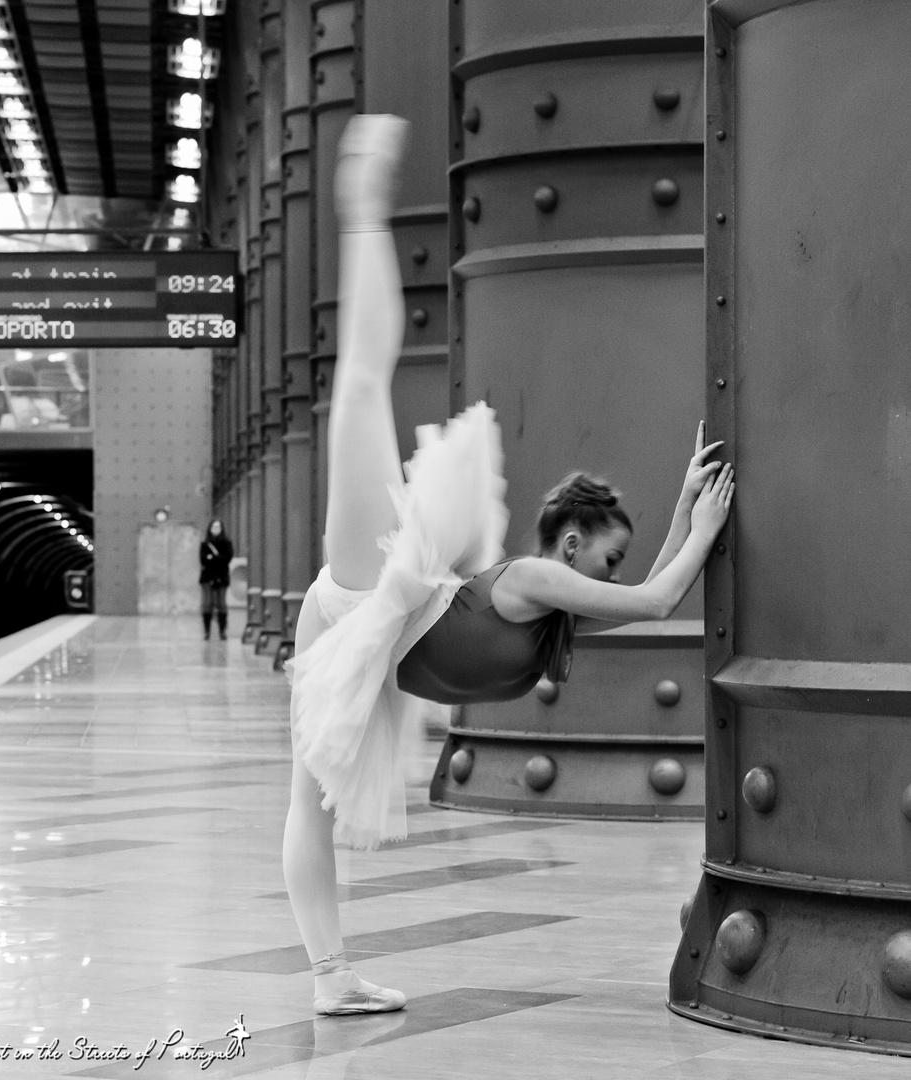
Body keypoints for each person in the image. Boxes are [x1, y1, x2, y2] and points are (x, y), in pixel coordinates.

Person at [281, 114, 735, 1018]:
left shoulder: (554, 599)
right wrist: (710, 528)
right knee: (362, 386)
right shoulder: (533, 582)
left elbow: (634, 580)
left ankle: (333, 980)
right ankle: (365, 207)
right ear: (571, 545)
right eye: (605, 551)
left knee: (311, 800)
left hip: (368, 636)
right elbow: (651, 598)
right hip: (380, 596)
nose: (612, 567)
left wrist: (687, 496)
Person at [199, 519, 234, 640]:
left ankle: (222, 632)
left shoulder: (227, 543)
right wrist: (219, 558)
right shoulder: (205, 544)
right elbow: (203, 559)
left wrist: (212, 558)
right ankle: (207, 631)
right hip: (208, 578)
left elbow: (227, 558)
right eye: (214, 526)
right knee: (207, 604)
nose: (216, 529)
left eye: (218, 527)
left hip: (221, 577)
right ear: (210, 528)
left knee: (222, 604)